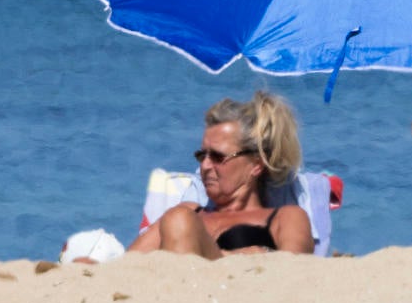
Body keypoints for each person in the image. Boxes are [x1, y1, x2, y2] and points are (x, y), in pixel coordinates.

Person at [128, 92, 313, 259]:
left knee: (180, 220)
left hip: (236, 286)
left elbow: (294, 270)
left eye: (218, 157)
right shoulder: (188, 211)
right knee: (179, 217)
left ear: (256, 165)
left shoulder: (286, 217)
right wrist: (237, 255)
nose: (205, 166)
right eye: (202, 156)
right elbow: (127, 265)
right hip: (183, 282)